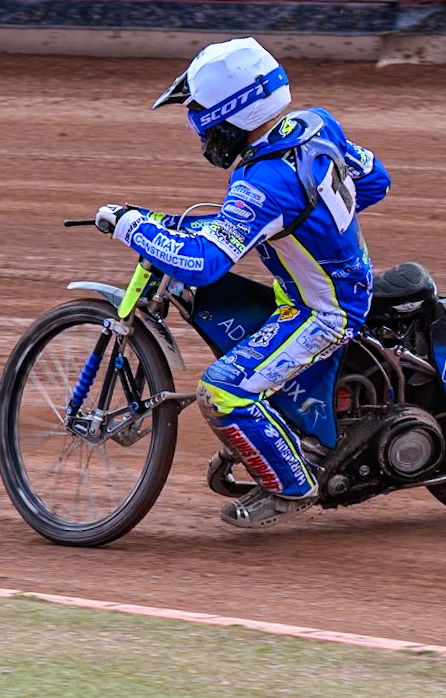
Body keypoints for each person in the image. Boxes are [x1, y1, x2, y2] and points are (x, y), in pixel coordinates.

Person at [93, 37, 390, 528]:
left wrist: (131, 226)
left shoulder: (264, 181)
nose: (196, 127)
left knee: (223, 391)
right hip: (336, 281)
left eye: (197, 114)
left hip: (323, 311)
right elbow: (375, 179)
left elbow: (206, 264)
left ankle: (291, 487)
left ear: (232, 111)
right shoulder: (316, 125)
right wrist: (302, 225)